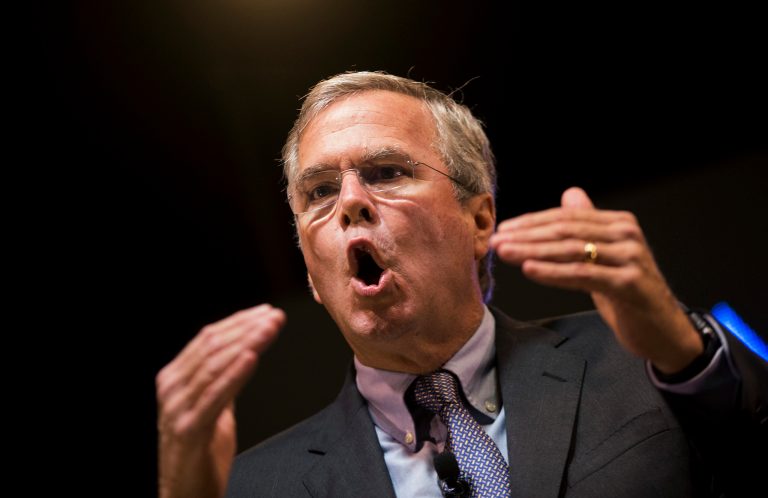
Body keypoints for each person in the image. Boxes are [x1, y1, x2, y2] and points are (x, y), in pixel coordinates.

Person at [156, 71, 767, 498]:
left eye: (386, 171)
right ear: (314, 275)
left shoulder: (646, 366)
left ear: (479, 221)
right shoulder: (251, 487)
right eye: (318, 192)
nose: (349, 204)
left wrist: (688, 362)